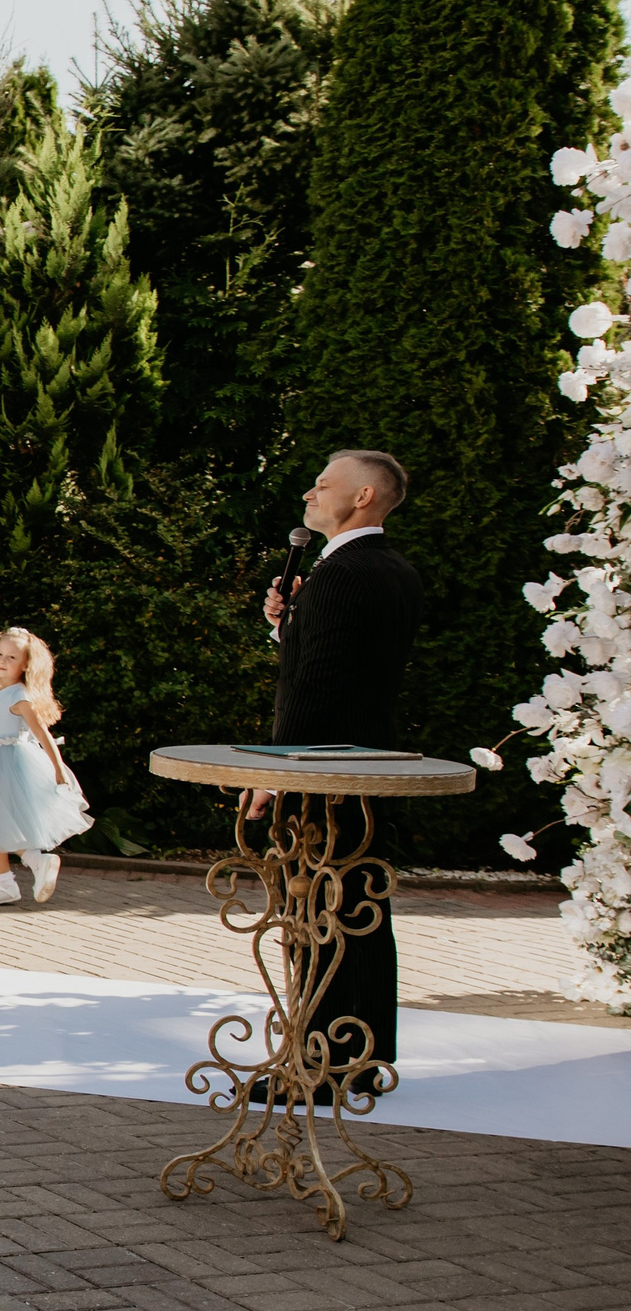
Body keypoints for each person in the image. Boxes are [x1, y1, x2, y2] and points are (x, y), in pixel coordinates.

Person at [254, 449, 424, 1080]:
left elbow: (319, 687)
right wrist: (289, 623)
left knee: (319, 910)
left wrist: (277, 772)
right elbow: (349, 663)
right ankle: (364, 1056)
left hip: (324, 773)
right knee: (360, 910)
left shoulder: (344, 573)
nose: (310, 492)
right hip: (366, 762)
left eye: (323, 484)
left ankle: (320, 1060)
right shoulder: (390, 569)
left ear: (362, 499)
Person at [0, 629, 90, 907]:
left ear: (26, 666)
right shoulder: (4, 692)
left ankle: (36, 861)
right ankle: (4, 884)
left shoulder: (20, 697)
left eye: (12, 657)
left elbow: (43, 735)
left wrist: (58, 771)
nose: (2, 660)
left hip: (7, 762)